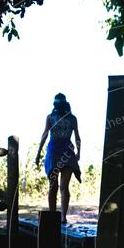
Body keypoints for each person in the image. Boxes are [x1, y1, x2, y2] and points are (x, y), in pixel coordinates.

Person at [35, 93, 81, 224]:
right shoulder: (50, 118)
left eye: (61, 104)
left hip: (67, 151)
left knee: (63, 186)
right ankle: (53, 215)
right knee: (53, 185)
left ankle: (63, 217)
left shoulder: (72, 119)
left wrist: (78, 152)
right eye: (58, 104)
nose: (59, 106)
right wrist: (38, 153)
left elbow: (77, 136)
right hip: (54, 151)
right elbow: (44, 134)